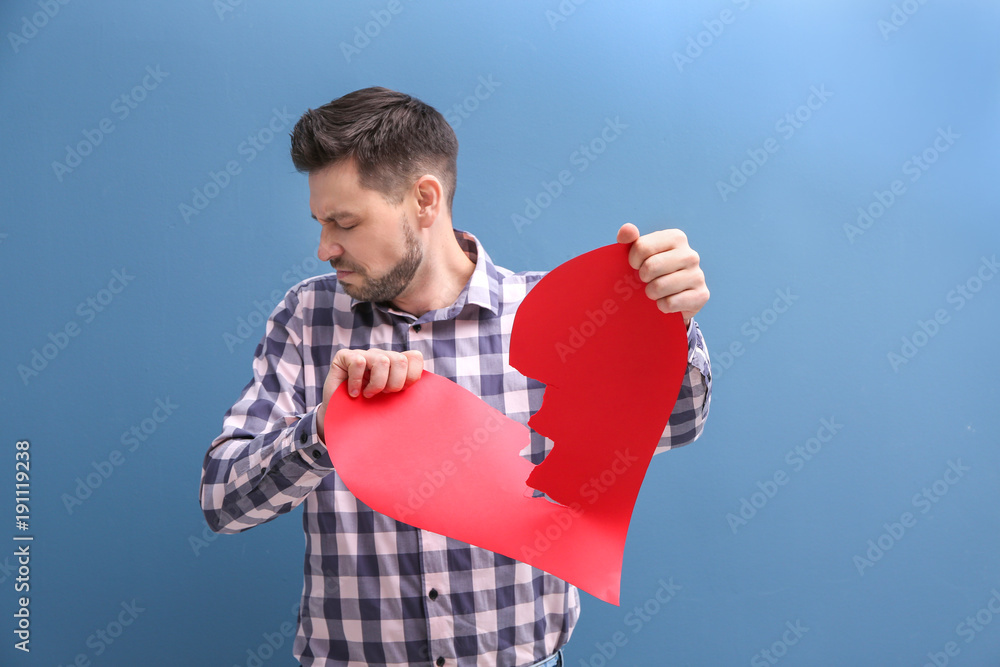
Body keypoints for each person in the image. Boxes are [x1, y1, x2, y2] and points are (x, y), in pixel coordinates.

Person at [200, 86, 712, 667]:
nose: (324, 248)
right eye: (321, 222)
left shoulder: (552, 317)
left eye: (344, 222)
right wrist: (328, 425)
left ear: (424, 199)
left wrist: (669, 327)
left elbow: (673, 428)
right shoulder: (307, 317)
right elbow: (223, 501)